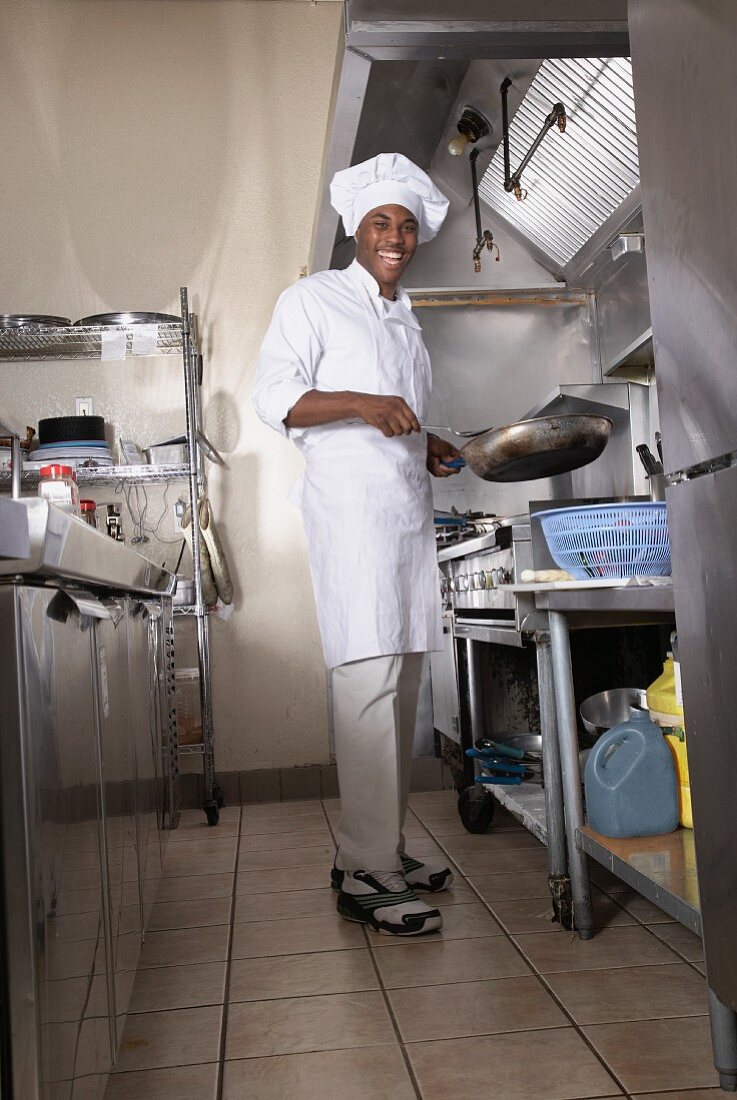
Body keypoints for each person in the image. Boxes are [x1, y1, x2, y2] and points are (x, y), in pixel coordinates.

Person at [252, 153, 462, 936]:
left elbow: (389, 414)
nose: (396, 238)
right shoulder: (313, 299)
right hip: (351, 522)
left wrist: (424, 437)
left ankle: (375, 850)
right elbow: (275, 397)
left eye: (406, 226)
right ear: (355, 227)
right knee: (368, 689)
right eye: (382, 222)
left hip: (403, 520)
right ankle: (365, 873)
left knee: (400, 688)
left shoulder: (402, 315)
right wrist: (365, 404)